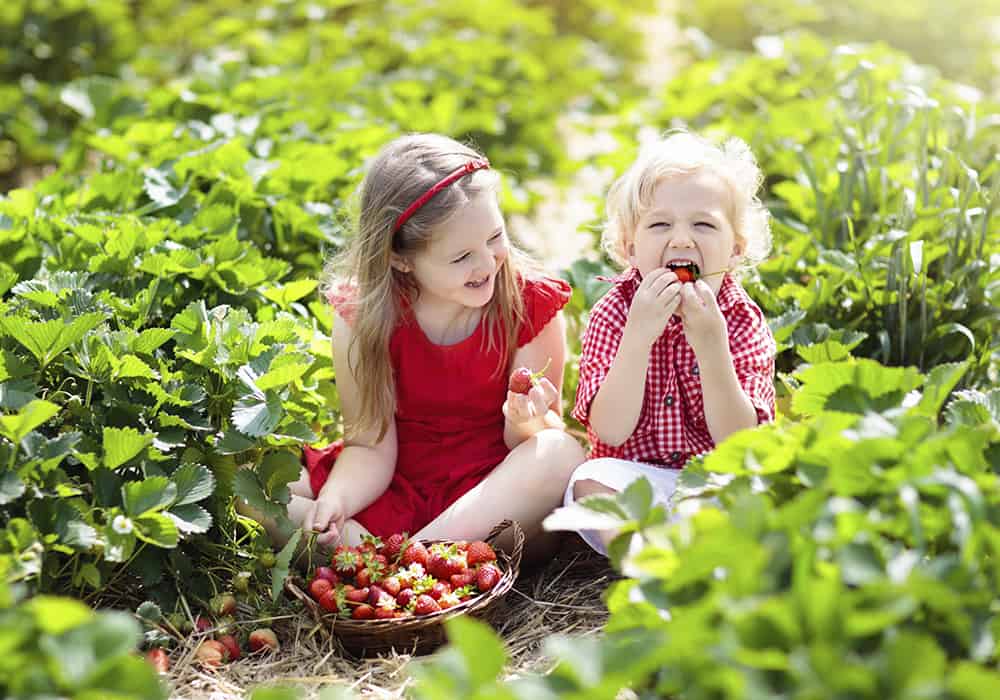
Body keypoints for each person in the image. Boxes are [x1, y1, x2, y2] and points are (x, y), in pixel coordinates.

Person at [246, 133, 586, 556]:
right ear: (399, 259)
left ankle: (399, 561)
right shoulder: (365, 315)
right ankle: (421, 564)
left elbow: (530, 443)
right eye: (461, 257)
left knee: (558, 452)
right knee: (251, 488)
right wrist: (338, 500)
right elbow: (370, 445)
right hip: (399, 477)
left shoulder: (528, 302)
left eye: (495, 237)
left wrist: (525, 419)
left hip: (489, 493)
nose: (487, 263)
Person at [558, 130, 776, 555]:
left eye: (703, 224)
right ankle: (650, 560)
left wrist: (712, 348)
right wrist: (638, 337)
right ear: (629, 248)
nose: (681, 239)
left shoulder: (740, 319)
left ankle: (704, 552)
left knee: (760, 490)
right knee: (589, 482)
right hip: (637, 480)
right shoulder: (615, 313)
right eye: (660, 224)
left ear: (735, 249)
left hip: (715, 481)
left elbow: (740, 442)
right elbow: (609, 430)